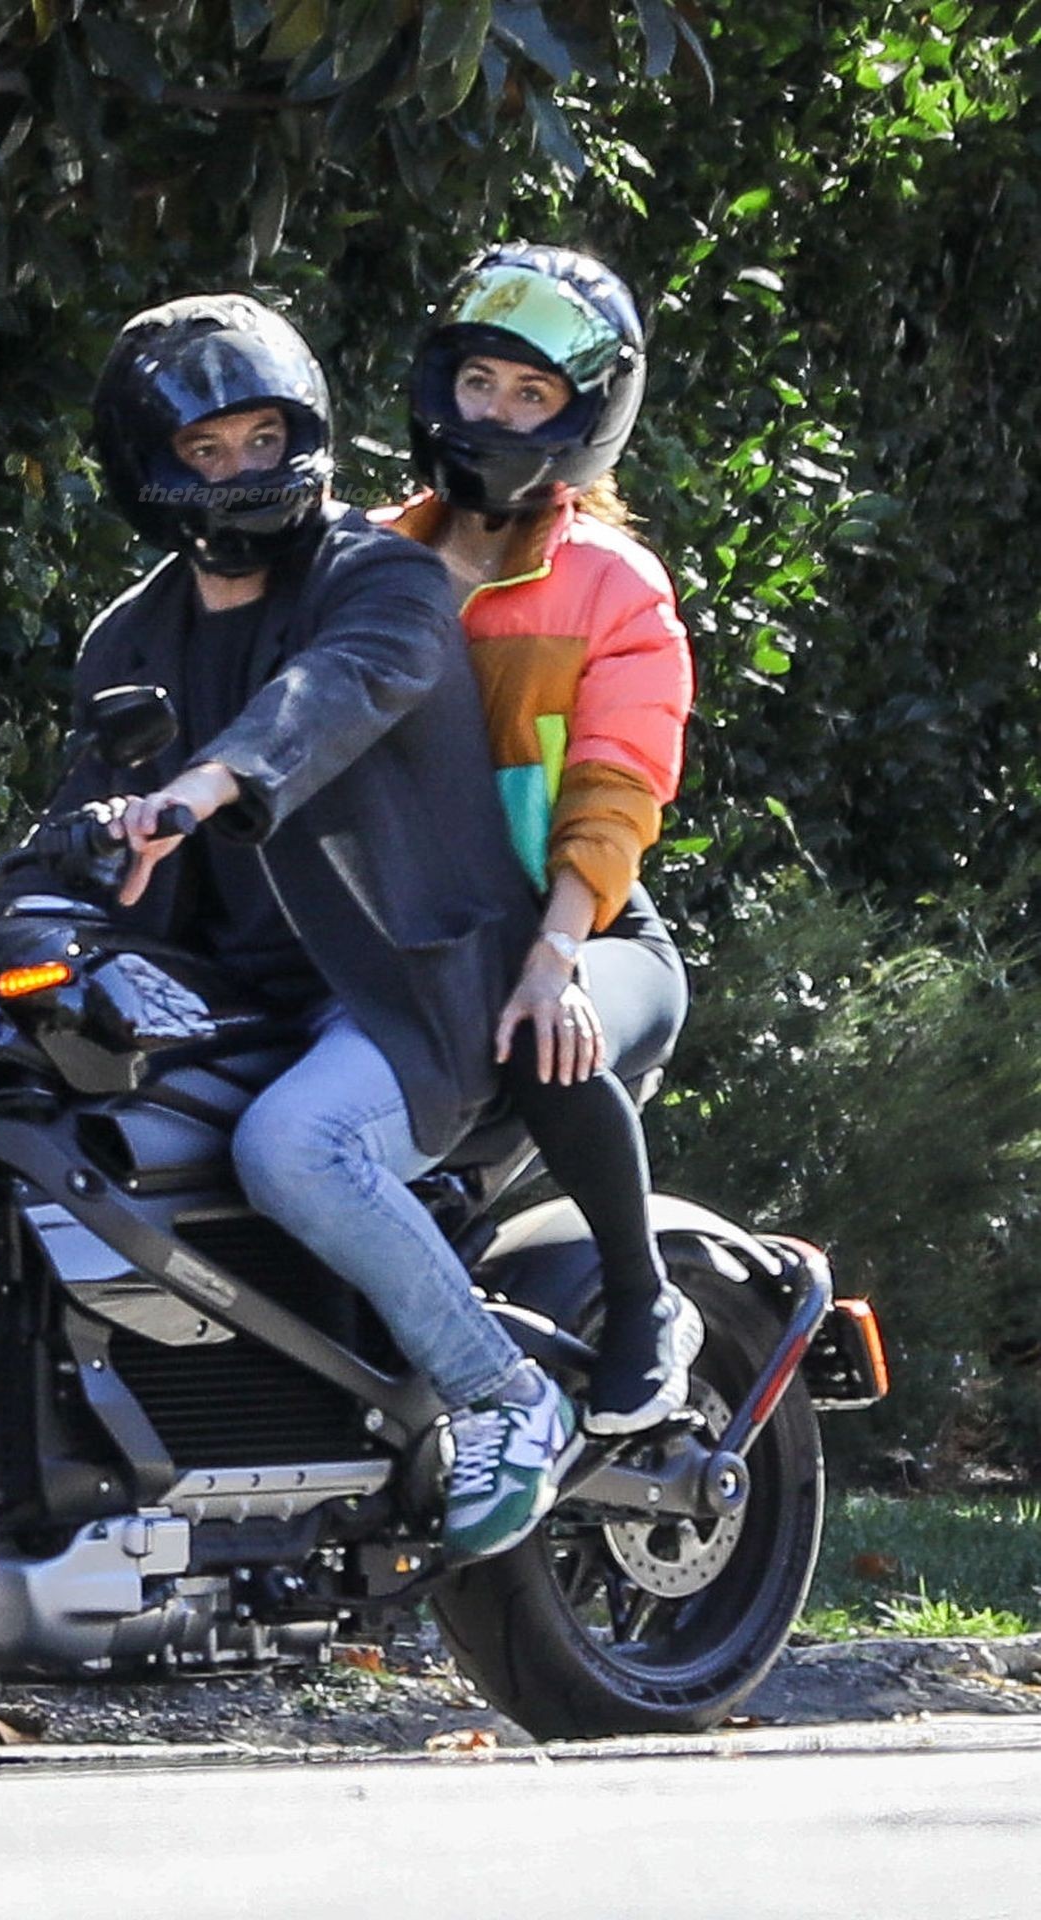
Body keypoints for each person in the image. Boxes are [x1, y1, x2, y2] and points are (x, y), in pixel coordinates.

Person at [43, 291, 578, 1559]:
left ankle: (506, 1395)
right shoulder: (132, 635)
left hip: (404, 993)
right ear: (150, 467)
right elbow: (80, 817)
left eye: (263, 437)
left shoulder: (381, 577)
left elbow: (326, 693)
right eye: (205, 448)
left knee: (295, 1147)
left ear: (307, 437)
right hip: (228, 1004)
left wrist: (201, 787)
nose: (242, 466)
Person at [379, 240, 698, 1435]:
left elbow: (617, 788)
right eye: (479, 382)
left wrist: (556, 955)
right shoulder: (365, 559)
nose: (494, 412)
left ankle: (643, 1298)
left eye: (531, 392)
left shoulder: (612, 582)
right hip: (422, 932)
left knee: (538, 1039)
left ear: (584, 417)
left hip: (587, 923)